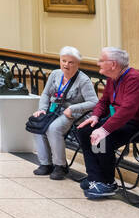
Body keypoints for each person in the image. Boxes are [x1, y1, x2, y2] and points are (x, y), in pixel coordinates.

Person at [73, 46, 139, 199]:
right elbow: (103, 102)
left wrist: (104, 130)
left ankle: (107, 183)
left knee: (104, 139)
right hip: (124, 121)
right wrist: (95, 117)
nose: (98, 63)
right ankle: (96, 178)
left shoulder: (135, 79)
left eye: (102, 60)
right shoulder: (113, 78)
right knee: (84, 131)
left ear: (113, 64)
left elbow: (128, 109)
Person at [29, 46, 97, 180]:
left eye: (71, 62)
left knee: (53, 128)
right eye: (63, 61)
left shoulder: (83, 80)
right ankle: (45, 164)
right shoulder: (55, 74)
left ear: (77, 64)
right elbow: (45, 94)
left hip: (74, 114)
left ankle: (60, 166)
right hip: (54, 110)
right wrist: (42, 109)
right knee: (37, 124)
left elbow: (94, 102)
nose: (66, 64)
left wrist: (73, 108)